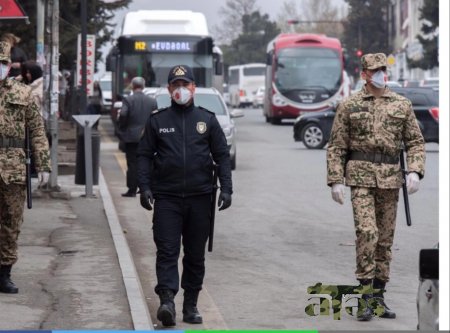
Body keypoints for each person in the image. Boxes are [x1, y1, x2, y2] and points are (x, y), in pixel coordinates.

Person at [326, 53, 425, 321]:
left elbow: (415, 141)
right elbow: (336, 146)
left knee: (384, 241)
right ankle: (364, 297)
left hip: (391, 179)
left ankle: (378, 297)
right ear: (365, 74)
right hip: (360, 177)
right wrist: (335, 179)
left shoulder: (401, 105)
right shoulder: (350, 105)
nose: (382, 73)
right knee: (367, 232)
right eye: (375, 69)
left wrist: (415, 169)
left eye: (384, 69)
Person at [137, 65, 233, 327]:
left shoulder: (207, 119)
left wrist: (226, 188)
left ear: (193, 88)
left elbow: (222, 156)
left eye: (185, 84)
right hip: (166, 198)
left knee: (194, 255)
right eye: (176, 85)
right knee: (167, 251)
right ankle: (167, 300)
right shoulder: (158, 121)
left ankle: (191, 305)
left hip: (200, 198)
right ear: (169, 89)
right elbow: (144, 156)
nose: (181, 89)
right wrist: (143, 187)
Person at [0, 41, 51, 293]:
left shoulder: (23, 93)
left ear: (9, 66)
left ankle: (4, 273)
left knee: (11, 222)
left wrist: (43, 163)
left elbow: (38, 130)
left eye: (2, 63)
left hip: (13, 167)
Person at [118, 76, 156, 197]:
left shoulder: (128, 100)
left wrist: (122, 127)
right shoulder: (152, 101)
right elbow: (156, 118)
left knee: (132, 163)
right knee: (147, 163)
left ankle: (132, 190)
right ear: (143, 86)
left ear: (133, 86)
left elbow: (123, 114)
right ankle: (146, 188)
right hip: (147, 137)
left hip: (131, 137)